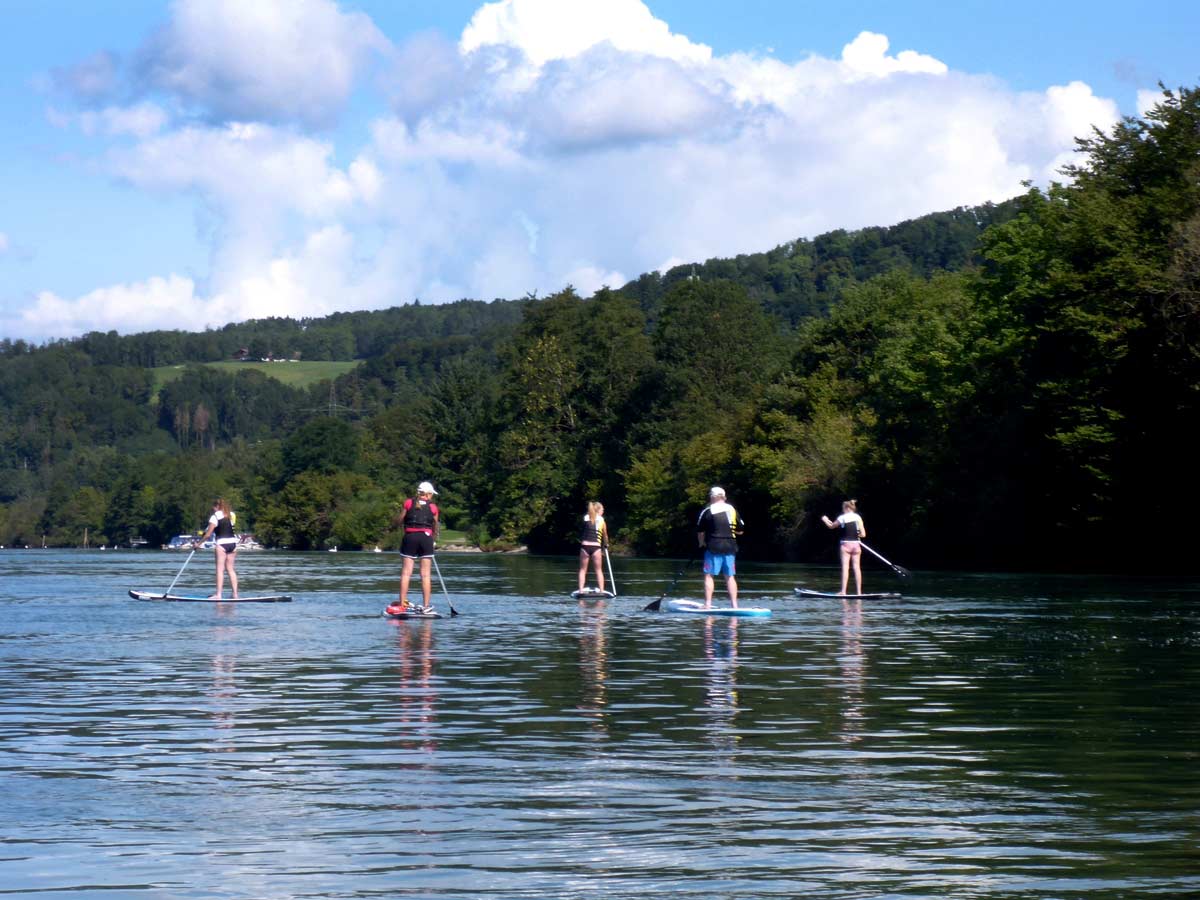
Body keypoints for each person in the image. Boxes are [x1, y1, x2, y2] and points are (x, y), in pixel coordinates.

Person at [395, 481, 440, 612]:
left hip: (410, 538)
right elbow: (435, 525)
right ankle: (426, 606)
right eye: (432, 494)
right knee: (425, 575)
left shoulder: (408, 503)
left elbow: (400, 520)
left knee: (406, 573)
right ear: (428, 494)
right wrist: (433, 539)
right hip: (426, 538)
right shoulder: (433, 507)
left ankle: (402, 604)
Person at [696, 486, 741, 609]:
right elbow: (740, 530)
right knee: (730, 577)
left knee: (709, 575)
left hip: (713, 546)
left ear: (712, 497)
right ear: (724, 497)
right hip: (730, 547)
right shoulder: (732, 510)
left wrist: (701, 543)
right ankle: (734, 605)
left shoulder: (707, 511)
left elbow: (700, 531)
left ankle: (708, 604)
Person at [822, 499, 866, 596]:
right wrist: (857, 533)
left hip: (845, 545)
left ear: (846, 508)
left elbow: (831, 526)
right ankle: (859, 592)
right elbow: (863, 534)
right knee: (857, 568)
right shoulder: (858, 517)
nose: (842, 510)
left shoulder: (842, 517)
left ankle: (843, 591)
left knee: (845, 568)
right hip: (856, 546)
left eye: (843, 508)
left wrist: (825, 520)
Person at [198, 498, 240, 599]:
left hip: (221, 544)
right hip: (233, 544)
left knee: (219, 570)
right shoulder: (231, 515)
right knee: (230, 569)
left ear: (216, 506)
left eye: (213, 507)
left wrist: (198, 544)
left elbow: (208, 535)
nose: (213, 509)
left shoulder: (214, 517)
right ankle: (235, 594)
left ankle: (218, 595)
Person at [577, 501, 609, 593]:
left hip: (585, 546)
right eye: (602, 509)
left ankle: (580, 591)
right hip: (596, 547)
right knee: (599, 570)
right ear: (598, 510)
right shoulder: (602, 520)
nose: (603, 510)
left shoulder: (585, 518)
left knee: (583, 570)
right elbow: (605, 535)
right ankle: (602, 591)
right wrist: (606, 544)